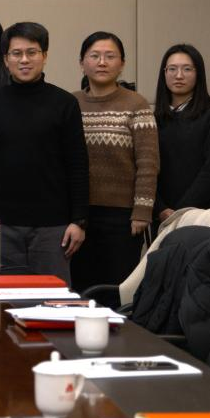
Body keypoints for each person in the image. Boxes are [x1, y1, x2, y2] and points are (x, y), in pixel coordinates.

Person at [0, 22, 87, 283]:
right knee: (2, 298)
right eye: (16, 53)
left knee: (54, 299)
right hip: (1, 226)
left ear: (45, 56)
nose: (24, 60)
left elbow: (77, 164)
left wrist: (79, 220)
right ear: (5, 59)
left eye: (32, 52)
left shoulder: (65, 103)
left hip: (53, 226)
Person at [70, 31, 159, 291]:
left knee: (117, 289)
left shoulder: (136, 104)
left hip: (123, 217)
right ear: (82, 62)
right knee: (81, 288)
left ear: (122, 64)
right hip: (79, 215)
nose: (102, 62)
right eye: (94, 56)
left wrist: (142, 210)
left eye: (110, 56)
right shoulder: (71, 103)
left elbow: (148, 162)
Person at [153, 44, 210, 229]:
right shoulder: (154, 118)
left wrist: (179, 212)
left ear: (198, 74)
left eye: (187, 69)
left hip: (203, 215)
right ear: (164, 73)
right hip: (161, 216)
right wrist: (160, 208)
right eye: (172, 69)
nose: (179, 75)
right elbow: (145, 169)